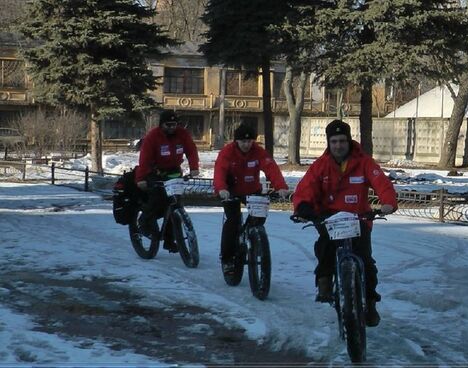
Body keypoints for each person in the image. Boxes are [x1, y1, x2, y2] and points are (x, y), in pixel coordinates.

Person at [291, 119, 398, 327]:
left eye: (342, 141)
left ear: (349, 141)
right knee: (324, 248)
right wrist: (303, 207)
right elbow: (305, 188)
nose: (338, 145)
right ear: (329, 144)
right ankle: (324, 280)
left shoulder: (364, 162)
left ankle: (370, 302)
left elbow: (382, 183)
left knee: (366, 262)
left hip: (359, 219)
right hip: (329, 219)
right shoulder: (320, 165)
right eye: (334, 142)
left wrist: (388, 203)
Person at [213, 124, 289, 274]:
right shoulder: (227, 152)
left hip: (252, 190)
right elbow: (219, 171)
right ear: (237, 141)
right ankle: (227, 259)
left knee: (258, 219)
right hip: (231, 192)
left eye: (250, 141)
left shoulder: (258, 152)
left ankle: (254, 239)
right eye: (243, 142)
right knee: (232, 222)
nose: (247, 145)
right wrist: (221, 189)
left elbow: (271, 168)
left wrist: (280, 186)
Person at [135, 110, 200, 248]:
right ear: (161, 124)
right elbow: (144, 159)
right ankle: (144, 223)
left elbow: (191, 150)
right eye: (168, 125)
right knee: (157, 197)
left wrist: (194, 167)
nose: (171, 128)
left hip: (174, 171)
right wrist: (141, 178)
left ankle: (170, 240)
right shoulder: (153, 136)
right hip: (154, 171)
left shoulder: (182, 134)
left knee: (175, 202)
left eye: (174, 124)